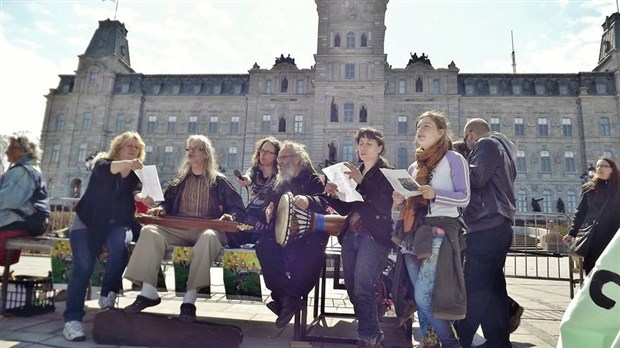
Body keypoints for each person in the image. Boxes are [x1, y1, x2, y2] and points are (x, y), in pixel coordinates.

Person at [123, 135, 246, 322]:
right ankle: (148, 292)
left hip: (206, 228)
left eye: (196, 148)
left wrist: (232, 216)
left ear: (206, 154)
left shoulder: (219, 181)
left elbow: (237, 207)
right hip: (178, 228)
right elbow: (167, 203)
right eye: (189, 148)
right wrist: (161, 209)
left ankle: (189, 300)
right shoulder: (178, 180)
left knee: (210, 237)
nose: (191, 152)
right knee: (149, 232)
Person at [63, 131, 152, 342]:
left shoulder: (133, 176)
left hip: (115, 224)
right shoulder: (103, 164)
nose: (133, 149)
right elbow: (109, 170)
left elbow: (136, 193)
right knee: (83, 267)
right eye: (129, 146)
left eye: (136, 147)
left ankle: (108, 294)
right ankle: (72, 320)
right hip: (88, 222)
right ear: (118, 148)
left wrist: (143, 198)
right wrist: (129, 163)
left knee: (120, 246)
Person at [392, 111, 470, 348]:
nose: (420, 130)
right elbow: (411, 202)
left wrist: (436, 194)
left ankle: (449, 342)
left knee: (422, 296)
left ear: (441, 132)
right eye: (418, 127)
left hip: (440, 230)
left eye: (426, 126)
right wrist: (400, 199)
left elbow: (464, 197)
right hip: (413, 233)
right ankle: (429, 341)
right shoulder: (415, 166)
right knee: (420, 291)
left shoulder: (454, 159)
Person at [324, 127, 395, 348]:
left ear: (380, 148)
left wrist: (361, 181)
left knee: (364, 285)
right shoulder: (355, 171)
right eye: (361, 143)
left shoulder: (387, 173)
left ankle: (367, 337)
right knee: (354, 287)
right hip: (351, 236)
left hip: (373, 237)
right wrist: (331, 194)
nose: (363, 147)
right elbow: (347, 207)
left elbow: (384, 204)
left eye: (369, 144)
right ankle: (374, 331)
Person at [457, 118, 518, 348]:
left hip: (485, 225)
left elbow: (476, 179)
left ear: (471, 134)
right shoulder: (505, 150)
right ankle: (498, 341)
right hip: (498, 226)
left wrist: (456, 170)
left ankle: (459, 339)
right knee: (494, 290)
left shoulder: (486, 144)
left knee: (473, 285)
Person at [255, 140, 328, 328]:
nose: (278, 161)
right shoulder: (279, 182)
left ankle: (286, 300)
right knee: (264, 246)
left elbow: (324, 203)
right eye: (278, 157)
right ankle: (288, 298)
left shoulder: (313, 180)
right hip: (282, 237)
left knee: (313, 253)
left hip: (308, 237)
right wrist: (267, 211)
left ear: (296, 159)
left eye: (283, 157)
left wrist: (308, 199)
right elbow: (266, 207)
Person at [562, 157, 620, 275]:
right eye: (597, 166)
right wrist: (572, 233)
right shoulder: (589, 188)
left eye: (604, 166)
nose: (599, 169)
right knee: (593, 267)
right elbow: (581, 212)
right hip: (595, 235)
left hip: (615, 234)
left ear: (612, 169)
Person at [0, 135, 47, 266]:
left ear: (22, 151)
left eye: (11, 148)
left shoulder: (22, 172)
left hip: (12, 222)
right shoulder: (31, 170)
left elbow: (6, 200)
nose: (6, 151)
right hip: (20, 221)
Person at [236, 136, 280, 246]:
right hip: (251, 213)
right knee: (240, 234)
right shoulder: (255, 170)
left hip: (267, 213)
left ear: (276, 156)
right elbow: (249, 176)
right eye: (262, 151)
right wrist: (246, 180)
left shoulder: (280, 175)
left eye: (268, 152)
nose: (263, 154)